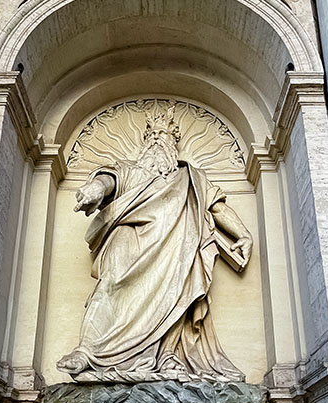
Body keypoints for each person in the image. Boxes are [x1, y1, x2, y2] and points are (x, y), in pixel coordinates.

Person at [56, 113, 253, 381]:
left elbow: (216, 208)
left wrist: (242, 234)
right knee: (111, 283)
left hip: (176, 247)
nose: (159, 141)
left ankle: (168, 355)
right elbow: (108, 180)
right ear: (146, 143)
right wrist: (95, 189)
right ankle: (89, 351)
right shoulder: (130, 170)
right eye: (154, 137)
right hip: (128, 241)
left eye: (165, 136)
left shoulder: (191, 178)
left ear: (174, 143)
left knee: (179, 287)